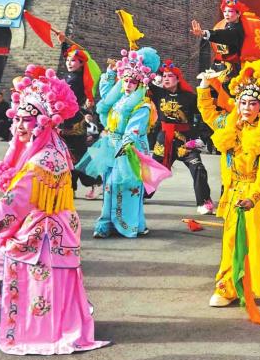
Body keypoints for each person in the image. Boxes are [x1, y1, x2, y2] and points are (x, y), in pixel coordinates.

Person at [0, 66, 109, 355]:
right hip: (49, 230)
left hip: (42, 235)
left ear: (43, 122)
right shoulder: (51, 146)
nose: (20, 125)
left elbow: (15, 201)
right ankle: (19, 313)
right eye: (17, 118)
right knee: (20, 275)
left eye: (27, 120)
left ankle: (25, 320)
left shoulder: (44, 159)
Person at [196, 61, 260, 325]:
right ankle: (227, 287)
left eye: (252, 103)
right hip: (235, 190)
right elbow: (208, 113)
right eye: (243, 102)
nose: (247, 108)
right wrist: (205, 86)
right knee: (232, 240)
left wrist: (254, 196)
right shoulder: (229, 124)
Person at [76, 48, 171, 238]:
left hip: (129, 149)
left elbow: (134, 129)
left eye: (133, 81)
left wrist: (125, 144)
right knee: (108, 185)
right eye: (125, 80)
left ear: (140, 84)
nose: (128, 84)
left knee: (126, 186)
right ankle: (106, 222)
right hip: (110, 145)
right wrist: (110, 73)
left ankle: (128, 224)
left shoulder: (142, 105)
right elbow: (106, 96)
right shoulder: (119, 98)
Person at [148, 60, 213, 214]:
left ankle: (204, 202)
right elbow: (141, 82)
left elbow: (204, 116)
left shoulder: (190, 97)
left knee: (198, 167)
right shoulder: (158, 93)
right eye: (164, 76)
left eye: (170, 76)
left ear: (178, 79)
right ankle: (142, 194)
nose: (166, 78)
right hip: (164, 140)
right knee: (154, 169)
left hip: (185, 141)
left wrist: (202, 138)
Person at [58, 39, 101, 199]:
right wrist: (63, 43)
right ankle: (71, 187)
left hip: (75, 122)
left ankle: (96, 182)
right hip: (66, 120)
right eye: (68, 60)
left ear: (82, 63)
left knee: (79, 156)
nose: (69, 63)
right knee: (68, 156)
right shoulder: (70, 75)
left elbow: (67, 100)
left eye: (73, 61)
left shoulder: (77, 79)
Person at [191, 0, 245, 80]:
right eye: (225, 11)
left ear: (238, 14)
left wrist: (203, 32)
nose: (226, 14)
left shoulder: (236, 31)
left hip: (233, 71)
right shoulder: (231, 22)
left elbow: (221, 35)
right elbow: (234, 1)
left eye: (230, 11)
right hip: (220, 65)